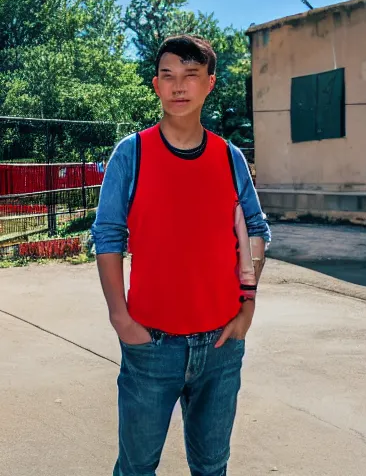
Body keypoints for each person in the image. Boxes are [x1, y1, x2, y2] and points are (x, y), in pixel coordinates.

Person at [91, 34, 271, 476]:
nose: (178, 86)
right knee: (136, 468)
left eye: (191, 75)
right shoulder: (130, 155)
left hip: (222, 346)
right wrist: (121, 317)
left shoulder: (229, 159)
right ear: (155, 84)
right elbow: (108, 236)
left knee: (212, 467)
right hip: (151, 345)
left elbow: (257, 231)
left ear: (209, 84)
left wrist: (247, 306)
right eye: (168, 76)